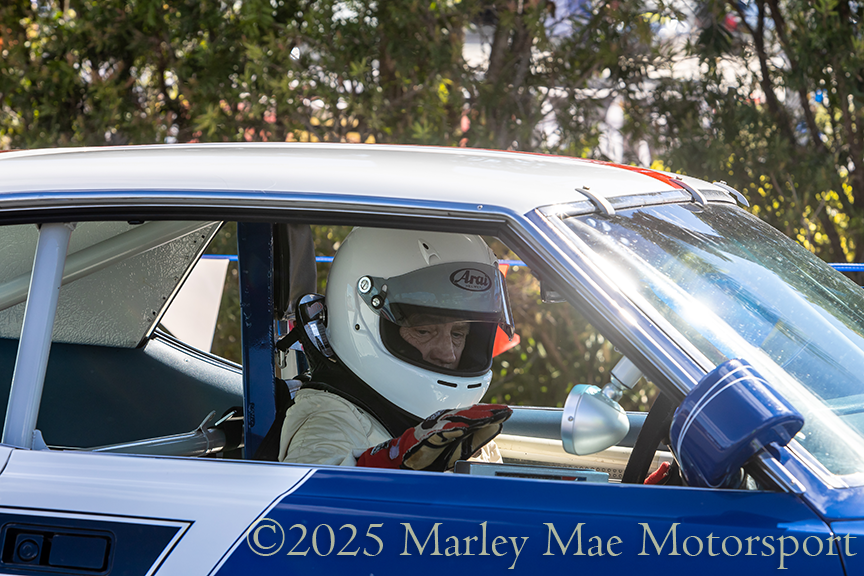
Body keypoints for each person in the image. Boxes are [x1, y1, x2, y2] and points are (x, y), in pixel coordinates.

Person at [278, 227, 515, 471]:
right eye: (424, 331)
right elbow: (314, 502)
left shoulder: (459, 425)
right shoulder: (328, 422)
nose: (448, 354)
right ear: (360, 323)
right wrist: (386, 465)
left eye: (458, 334)